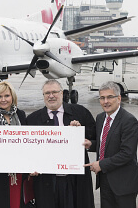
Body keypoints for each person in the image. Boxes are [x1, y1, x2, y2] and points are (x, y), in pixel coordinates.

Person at [26, 79, 96, 208]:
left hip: (75, 179)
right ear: (43, 96)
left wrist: (88, 142)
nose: (51, 96)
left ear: (62, 94)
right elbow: (26, 150)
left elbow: (97, 140)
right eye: (47, 93)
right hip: (46, 180)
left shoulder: (80, 113)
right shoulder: (32, 119)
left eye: (54, 92)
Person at [84, 81, 138, 208]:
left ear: (119, 98)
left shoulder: (129, 121)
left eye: (110, 97)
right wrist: (91, 145)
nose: (106, 101)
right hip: (105, 180)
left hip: (124, 183)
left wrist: (101, 164)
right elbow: (105, 143)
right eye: (102, 98)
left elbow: (127, 153)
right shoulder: (100, 118)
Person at [0, 81, 33, 208]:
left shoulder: (21, 115)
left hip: (19, 168)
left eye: (7, 96)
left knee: (18, 202)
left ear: (12, 97)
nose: (3, 100)